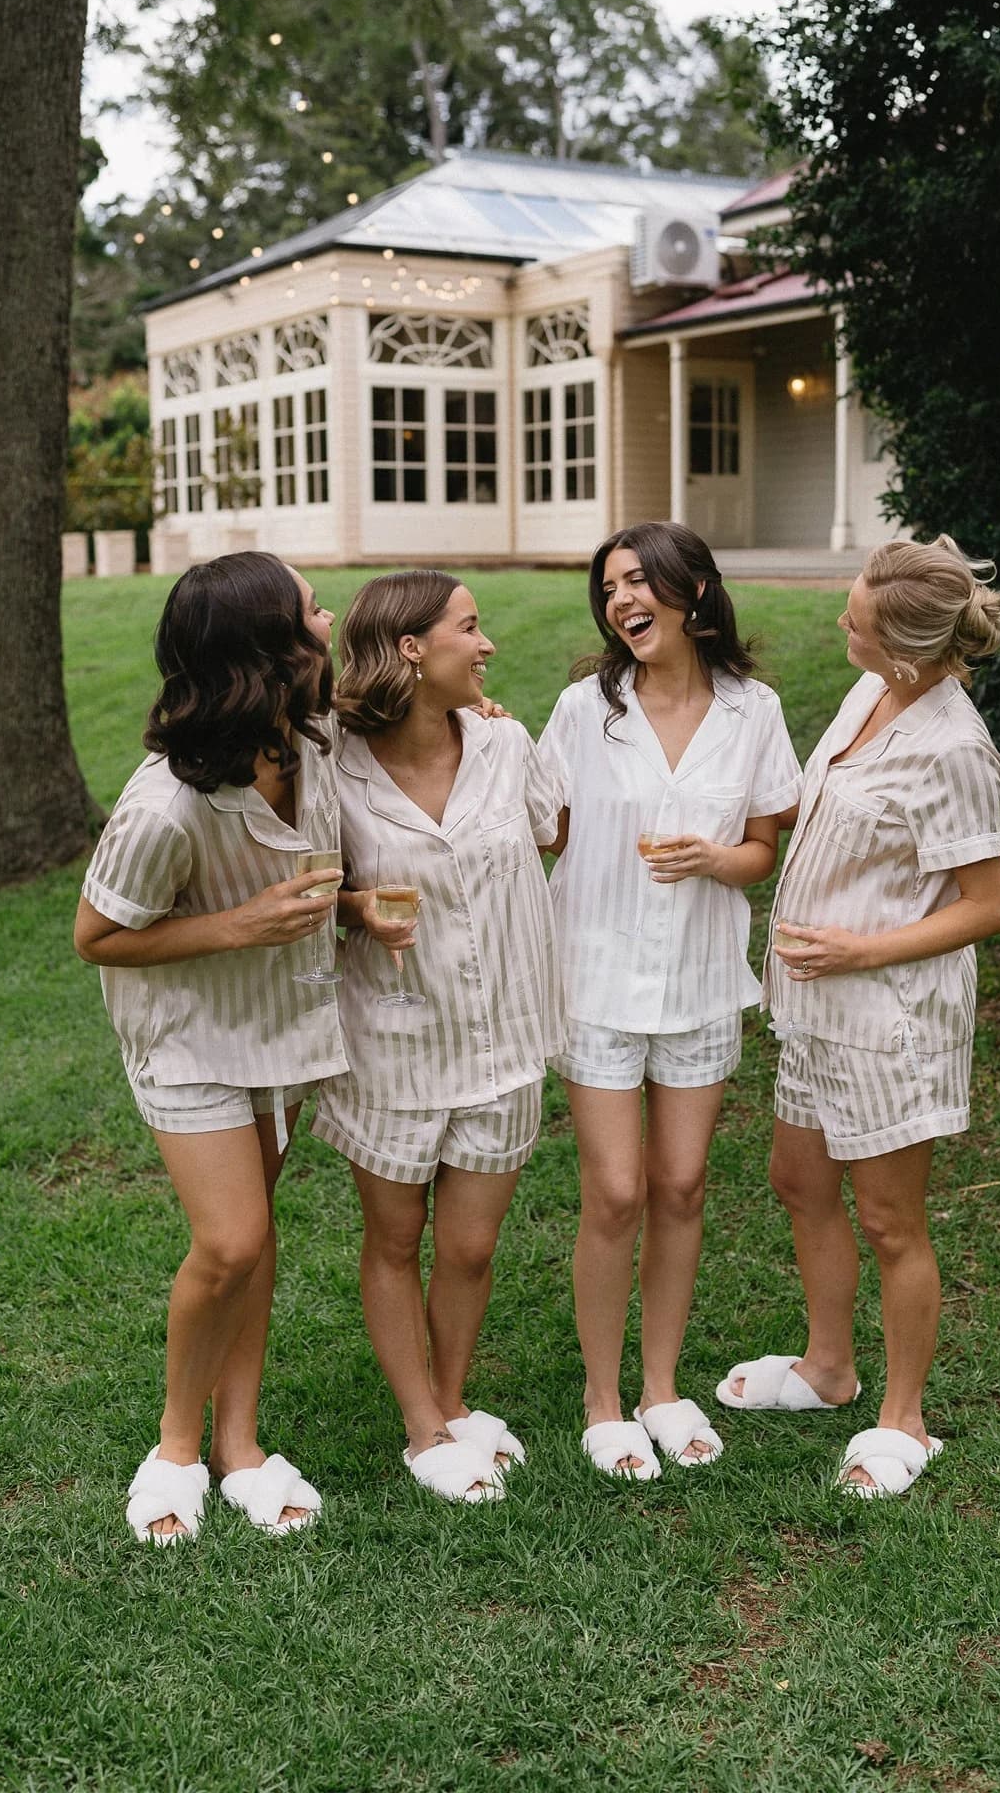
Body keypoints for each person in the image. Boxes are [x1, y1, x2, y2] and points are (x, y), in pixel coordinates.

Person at [719, 535, 1000, 1499]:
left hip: (890, 1017)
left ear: (908, 650)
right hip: (814, 1007)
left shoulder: (953, 747)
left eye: (855, 618)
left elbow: (987, 903)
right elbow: (819, 811)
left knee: (891, 1220)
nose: (840, 621)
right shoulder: (867, 694)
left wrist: (860, 950)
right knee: (798, 1179)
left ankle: (904, 1420)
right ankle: (829, 1370)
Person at [74, 552, 347, 1544]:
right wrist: (240, 925)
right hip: (188, 1037)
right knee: (228, 1239)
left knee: (255, 1231)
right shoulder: (166, 807)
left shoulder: (307, 743)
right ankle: (176, 1446)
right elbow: (96, 936)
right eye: (314, 607)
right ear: (270, 649)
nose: (332, 615)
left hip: (283, 1023)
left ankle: (241, 1439)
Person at [539, 522, 803, 1480]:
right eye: (608, 588)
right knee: (614, 1192)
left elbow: (762, 849)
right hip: (597, 978)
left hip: (698, 981)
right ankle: (601, 1400)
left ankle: (660, 1387)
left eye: (638, 581)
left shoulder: (753, 709)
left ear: (693, 593)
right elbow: (542, 827)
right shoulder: (583, 709)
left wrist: (713, 858)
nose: (620, 601)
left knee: (681, 1186)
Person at [313, 572, 563, 1504]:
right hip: (393, 1043)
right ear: (412, 648)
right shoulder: (328, 761)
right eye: (469, 628)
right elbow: (302, 887)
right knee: (394, 1236)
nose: (486, 643)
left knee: (467, 1247)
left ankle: (452, 1402)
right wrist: (352, 905)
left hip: (502, 1038)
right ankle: (422, 1429)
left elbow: (549, 836)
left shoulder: (504, 740)